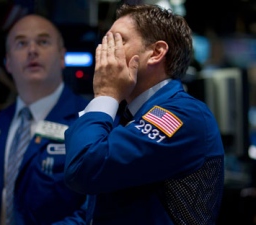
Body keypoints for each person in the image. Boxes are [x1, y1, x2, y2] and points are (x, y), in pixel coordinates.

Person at [64, 3, 225, 225]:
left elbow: (83, 168)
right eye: (105, 42)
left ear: (156, 53)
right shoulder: (126, 115)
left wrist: (106, 94)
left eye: (117, 41)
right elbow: (94, 213)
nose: (104, 51)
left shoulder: (184, 115)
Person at [0, 14, 89, 225]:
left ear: (62, 57)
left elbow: (96, 211)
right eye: (21, 43)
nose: (32, 50)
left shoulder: (89, 121)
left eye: (43, 42)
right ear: (8, 63)